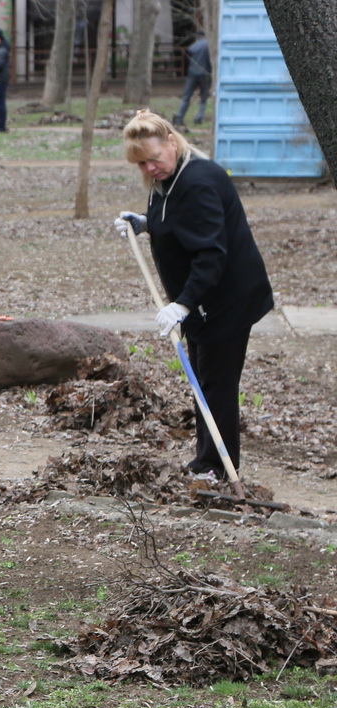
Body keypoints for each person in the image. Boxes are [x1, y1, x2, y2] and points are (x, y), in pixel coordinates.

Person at [114, 111, 274, 483]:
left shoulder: (199, 181)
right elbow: (179, 221)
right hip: (202, 302)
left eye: (155, 158)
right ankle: (206, 460)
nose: (150, 167)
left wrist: (183, 303)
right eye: (141, 163)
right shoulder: (170, 178)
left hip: (226, 299)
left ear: (172, 141)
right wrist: (143, 223)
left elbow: (210, 254)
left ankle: (219, 468)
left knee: (216, 384)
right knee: (203, 380)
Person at [174, 30, 212, 126]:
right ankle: (199, 117)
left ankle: (180, 116)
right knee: (203, 97)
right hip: (205, 73)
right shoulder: (208, 45)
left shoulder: (194, 46)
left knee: (186, 97)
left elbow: (188, 56)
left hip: (192, 73)